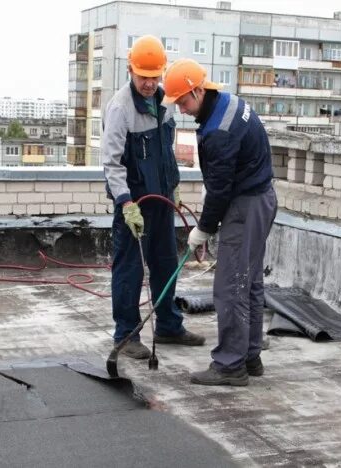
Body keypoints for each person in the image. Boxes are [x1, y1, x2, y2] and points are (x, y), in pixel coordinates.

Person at [162, 58, 277, 386]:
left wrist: (203, 229)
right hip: (261, 197)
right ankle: (250, 355)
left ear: (198, 90)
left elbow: (221, 190)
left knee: (229, 286)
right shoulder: (228, 103)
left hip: (246, 206)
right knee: (249, 280)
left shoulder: (218, 132)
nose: (181, 109)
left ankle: (230, 364)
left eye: (183, 101)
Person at [101, 36, 205, 360]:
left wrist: (173, 185)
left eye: (154, 76)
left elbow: (166, 151)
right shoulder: (120, 108)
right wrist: (125, 203)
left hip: (162, 201)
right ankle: (127, 336)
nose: (148, 83)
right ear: (131, 70)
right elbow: (111, 163)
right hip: (134, 206)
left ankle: (169, 327)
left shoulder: (165, 103)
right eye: (143, 76)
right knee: (130, 269)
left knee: (165, 263)